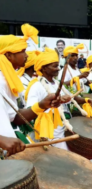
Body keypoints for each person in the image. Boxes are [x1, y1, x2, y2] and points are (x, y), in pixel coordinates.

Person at [0, 24, 62, 156]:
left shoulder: (7, 80)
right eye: (23, 51)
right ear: (9, 55)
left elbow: (15, 117)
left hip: (9, 151)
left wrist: (42, 105)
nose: (27, 56)